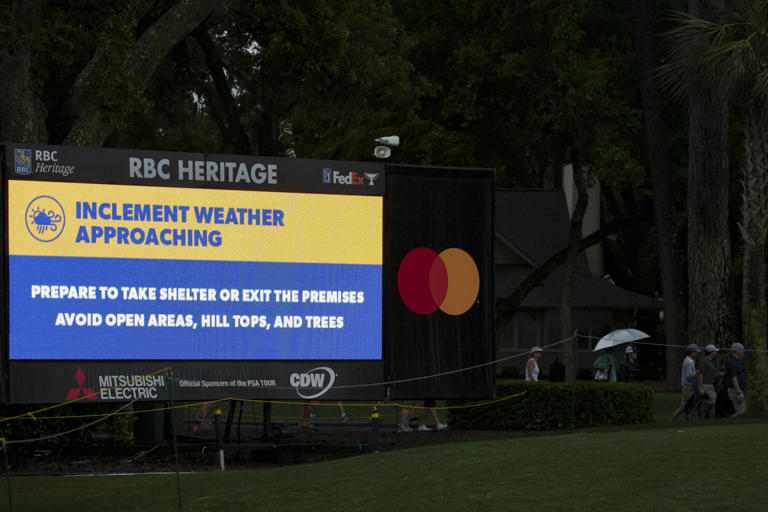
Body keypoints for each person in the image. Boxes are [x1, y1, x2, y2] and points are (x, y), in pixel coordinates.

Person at [669, 343, 701, 423]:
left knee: (684, 407)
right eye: (696, 352)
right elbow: (689, 377)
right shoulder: (689, 362)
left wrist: (695, 372)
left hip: (687, 387)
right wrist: (698, 374)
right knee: (686, 407)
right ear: (692, 352)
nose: (697, 354)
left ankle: (671, 422)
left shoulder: (688, 361)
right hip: (688, 387)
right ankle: (672, 421)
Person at [724, 342, 746, 417]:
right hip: (735, 389)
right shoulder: (732, 362)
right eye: (742, 350)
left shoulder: (739, 361)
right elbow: (734, 377)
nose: (743, 351)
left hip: (739, 388)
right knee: (741, 412)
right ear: (737, 351)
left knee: (742, 411)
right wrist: (738, 392)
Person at [698, 344, 719, 419]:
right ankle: (702, 417)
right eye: (714, 351)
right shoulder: (704, 362)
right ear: (711, 352)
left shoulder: (710, 361)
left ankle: (710, 420)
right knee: (708, 403)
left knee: (712, 403)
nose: (716, 352)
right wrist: (701, 388)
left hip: (711, 385)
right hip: (706, 385)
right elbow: (700, 375)